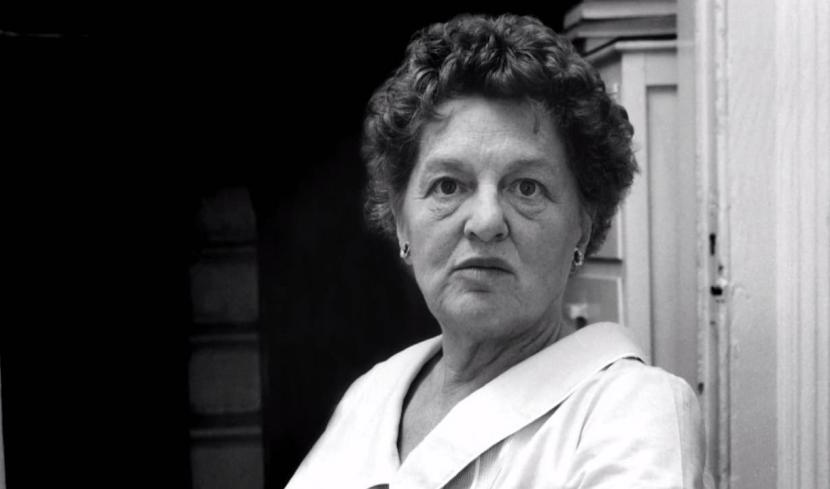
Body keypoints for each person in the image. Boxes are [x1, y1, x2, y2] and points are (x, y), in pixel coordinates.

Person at [286, 13, 712, 489]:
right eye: (448, 185)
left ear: (583, 225)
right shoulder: (373, 395)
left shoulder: (635, 412)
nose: (486, 222)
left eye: (527, 187)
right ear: (402, 220)